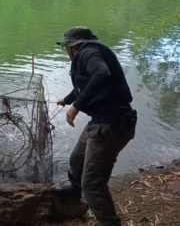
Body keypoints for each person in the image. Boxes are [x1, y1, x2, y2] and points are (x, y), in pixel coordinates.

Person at [55, 26, 137, 226]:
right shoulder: (89, 52)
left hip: (111, 124)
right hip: (100, 122)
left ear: (73, 46)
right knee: (77, 160)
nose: (66, 51)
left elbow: (100, 73)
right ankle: (74, 196)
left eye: (66, 47)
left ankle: (110, 223)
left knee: (92, 184)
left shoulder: (88, 52)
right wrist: (67, 99)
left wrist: (76, 106)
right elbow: (86, 83)